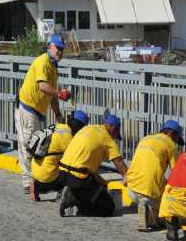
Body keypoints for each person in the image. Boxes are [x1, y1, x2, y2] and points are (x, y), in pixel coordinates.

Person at [16, 34, 71, 194]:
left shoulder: (53, 68)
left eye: (61, 49)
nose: (60, 52)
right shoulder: (42, 62)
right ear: (49, 47)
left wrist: (58, 114)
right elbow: (42, 86)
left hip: (39, 111)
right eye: (57, 48)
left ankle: (36, 180)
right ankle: (28, 182)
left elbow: (51, 95)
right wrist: (59, 93)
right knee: (27, 145)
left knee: (38, 146)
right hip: (28, 108)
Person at [58, 114, 128, 217]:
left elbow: (89, 169)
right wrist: (130, 179)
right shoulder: (107, 138)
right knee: (108, 208)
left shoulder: (89, 128)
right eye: (115, 136)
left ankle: (73, 192)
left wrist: (104, 183)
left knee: (95, 189)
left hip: (62, 173)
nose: (114, 139)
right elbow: (119, 163)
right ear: (114, 130)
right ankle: (76, 207)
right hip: (78, 179)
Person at [126, 120, 183, 232]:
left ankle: (145, 205)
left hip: (131, 188)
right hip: (149, 191)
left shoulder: (146, 138)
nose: (176, 143)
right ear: (172, 134)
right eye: (177, 139)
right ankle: (149, 209)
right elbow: (177, 174)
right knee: (163, 220)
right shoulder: (171, 146)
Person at [30, 110, 89, 202]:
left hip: (35, 168)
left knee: (56, 158)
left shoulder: (60, 126)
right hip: (47, 175)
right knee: (71, 169)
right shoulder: (69, 138)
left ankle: (37, 185)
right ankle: (60, 192)